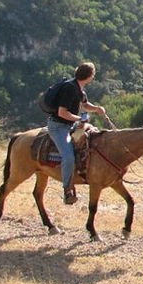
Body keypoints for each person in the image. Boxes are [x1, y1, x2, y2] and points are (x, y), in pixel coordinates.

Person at [47, 62, 107, 205]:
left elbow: (85, 105)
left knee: (92, 134)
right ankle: (67, 189)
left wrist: (97, 109)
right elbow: (62, 112)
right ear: (90, 76)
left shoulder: (79, 89)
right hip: (58, 127)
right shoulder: (70, 89)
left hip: (69, 124)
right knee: (68, 157)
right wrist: (79, 118)